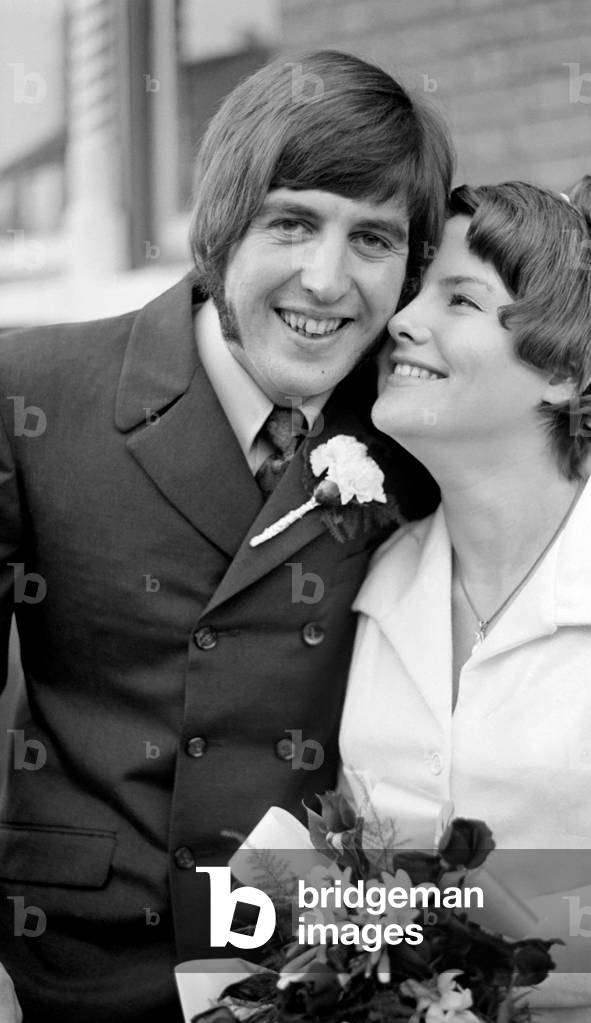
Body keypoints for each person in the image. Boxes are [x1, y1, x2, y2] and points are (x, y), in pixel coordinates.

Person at [0, 50, 453, 1022]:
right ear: (221, 222)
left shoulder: (414, 438)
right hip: (69, 972)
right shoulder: (31, 395)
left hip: (306, 981)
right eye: (292, 222)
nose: (326, 280)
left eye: (372, 240)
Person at [339, 176, 591, 1021]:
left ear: (565, 371)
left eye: (459, 299)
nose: (401, 319)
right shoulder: (379, 577)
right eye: (418, 288)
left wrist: (484, 951)